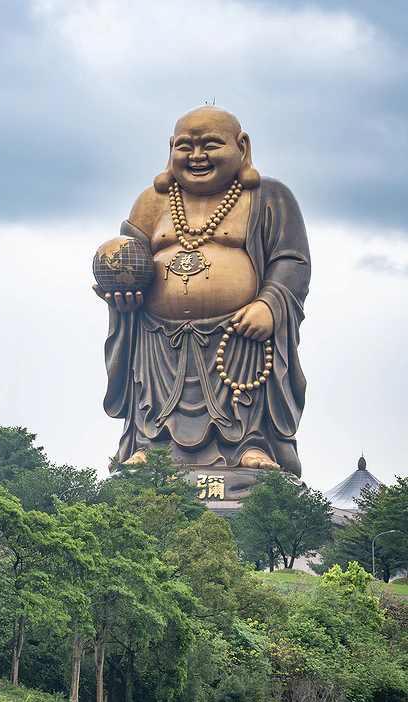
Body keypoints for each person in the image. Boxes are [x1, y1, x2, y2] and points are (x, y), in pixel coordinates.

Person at [94, 105, 310, 476]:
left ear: (242, 147)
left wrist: (270, 303)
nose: (196, 156)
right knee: (151, 390)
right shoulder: (151, 202)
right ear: (171, 149)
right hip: (158, 336)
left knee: (243, 389)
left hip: (237, 333)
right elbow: (130, 258)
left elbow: (292, 260)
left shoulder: (267, 196)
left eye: (210, 145)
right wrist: (121, 295)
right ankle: (149, 445)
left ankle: (249, 443)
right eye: (185, 147)